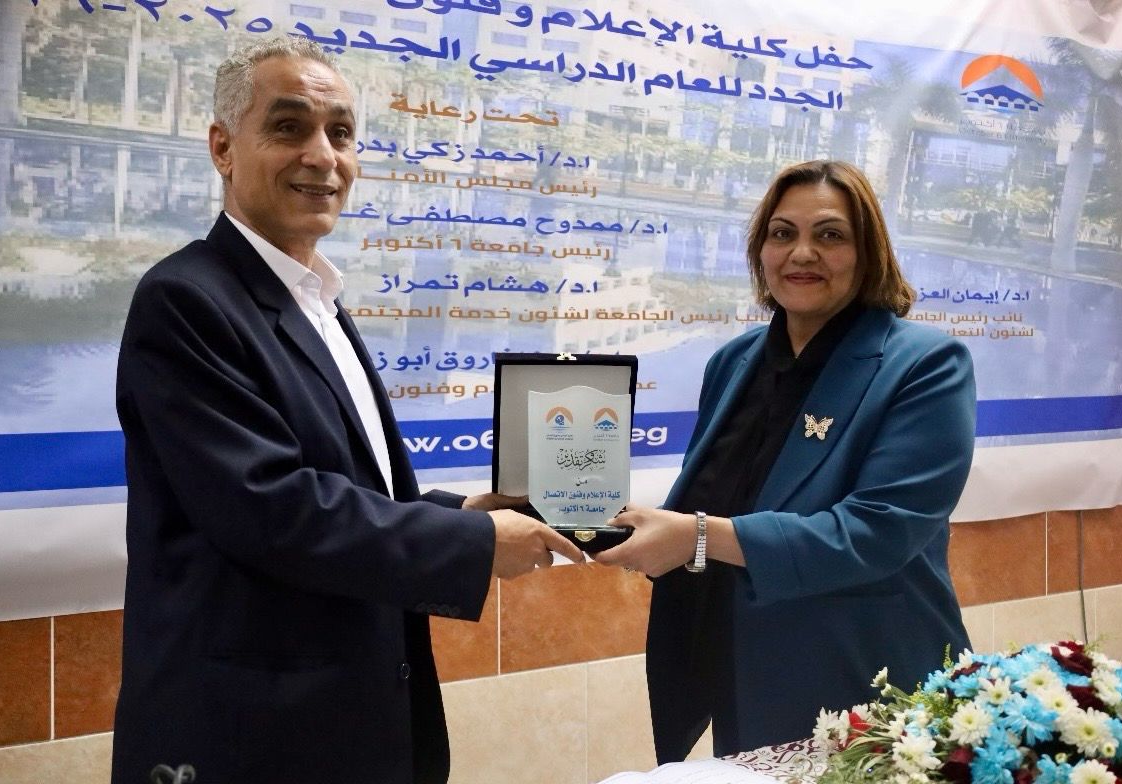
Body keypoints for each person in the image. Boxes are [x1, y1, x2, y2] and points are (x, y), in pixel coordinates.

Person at [111, 37, 583, 784]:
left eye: (341, 133)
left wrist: (464, 512)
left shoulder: (316, 299)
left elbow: (347, 486)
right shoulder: (188, 298)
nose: (322, 157)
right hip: (251, 737)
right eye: (289, 127)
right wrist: (473, 545)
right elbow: (271, 510)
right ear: (223, 147)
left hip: (347, 721)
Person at [596, 160, 975, 761]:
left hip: (868, 683)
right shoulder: (734, 361)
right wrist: (582, 510)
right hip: (741, 674)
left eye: (830, 234)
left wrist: (695, 537)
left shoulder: (926, 364)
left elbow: (876, 532)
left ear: (868, 252)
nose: (801, 253)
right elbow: (716, 497)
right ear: (760, 251)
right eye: (782, 233)